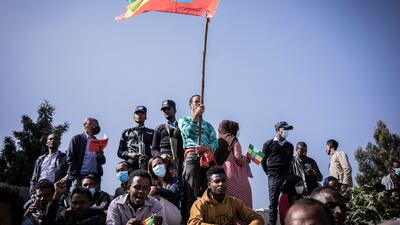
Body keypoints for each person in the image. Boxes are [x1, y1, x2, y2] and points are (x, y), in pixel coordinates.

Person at [178, 94, 218, 214]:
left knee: (209, 189)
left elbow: (215, 142)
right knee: (191, 190)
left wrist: (207, 147)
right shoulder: (184, 120)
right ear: (190, 105)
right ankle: (191, 218)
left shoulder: (208, 125)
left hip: (207, 156)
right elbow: (187, 132)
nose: (198, 104)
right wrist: (195, 116)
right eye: (196, 102)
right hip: (192, 155)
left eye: (200, 102)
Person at [188, 166, 264, 225]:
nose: (221, 184)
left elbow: (258, 218)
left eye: (223, 180)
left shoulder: (234, 202)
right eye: (217, 181)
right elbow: (193, 223)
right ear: (209, 185)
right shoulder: (199, 205)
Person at [261, 121, 294, 225]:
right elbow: (263, 160)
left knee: (289, 200)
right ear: (278, 130)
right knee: (273, 202)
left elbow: (290, 162)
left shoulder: (290, 146)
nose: (286, 131)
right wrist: (268, 172)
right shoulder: (268, 143)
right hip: (273, 176)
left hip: (286, 175)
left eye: (288, 130)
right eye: (285, 129)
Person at [216, 120, 253, 209]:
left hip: (222, 176)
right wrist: (247, 158)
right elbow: (238, 159)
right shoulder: (233, 140)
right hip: (234, 176)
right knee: (240, 203)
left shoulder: (218, 141)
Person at [42, 181, 107, 225]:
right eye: (75, 203)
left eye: (82, 202)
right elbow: (47, 222)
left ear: (90, 203)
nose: (78, 206)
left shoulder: (99, 216)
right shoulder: (66, 216)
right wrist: (57, 194)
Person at [66, 117, 106, 189]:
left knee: (95, 198)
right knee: (77, 197)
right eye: (94, 124)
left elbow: (102, 161)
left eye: (97, 124)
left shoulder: (97, 141)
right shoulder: (77, 139)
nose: (96, 126)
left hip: (95, 177)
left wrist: (100, 156)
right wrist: (75, 173)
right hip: (80, 176)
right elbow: (70, 157)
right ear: (86, 125)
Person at [152, 100, 184, 177]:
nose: (166, 111)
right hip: (164, 162)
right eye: (164, 109)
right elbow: (153, 150)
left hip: (180, 162)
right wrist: (161, 155)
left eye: (168, 108)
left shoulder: (183, 127)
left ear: (175, 110)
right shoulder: (159, 128)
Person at [148, 156, 183, 225]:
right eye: (155, 165)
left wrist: (156, 190)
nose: (158, 166)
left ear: (164, 164)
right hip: (158, 217)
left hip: (175, 216)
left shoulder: (175, 180)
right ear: (152, 170)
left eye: (160, 163)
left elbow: (173, 193)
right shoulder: (154, 184)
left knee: (157, 199)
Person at [117, 106, 154, 171]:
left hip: (147, 165)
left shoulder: (151, 132)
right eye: (137, 113)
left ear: (146, 117)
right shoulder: (126, 132)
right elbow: (119, 152)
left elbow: (155, 150)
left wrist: (148, 157)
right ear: (133, 117)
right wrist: (129, 154)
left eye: (142, 113)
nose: (139, 115)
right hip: (130, 165)